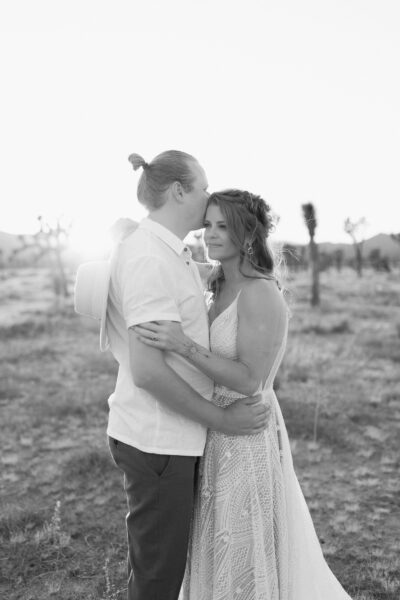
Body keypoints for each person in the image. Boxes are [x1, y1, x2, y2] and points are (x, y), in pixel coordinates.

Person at [134, 189, 353, 600]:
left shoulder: (260, 292)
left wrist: (183, 345)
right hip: (213, 430)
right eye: (208, 225)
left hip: (245, 433)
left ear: (247, 236)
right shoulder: (218, 280)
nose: (210, 235)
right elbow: (168, 261)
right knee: (212, 542)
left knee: (240, 546)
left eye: (222, 227)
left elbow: (251, 379)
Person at [105, 151, 269, 600]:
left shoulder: (166, 251)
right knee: (159, 579)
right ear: (179, 190)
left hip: (172, 436)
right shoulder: (149, 258)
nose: (207, 196)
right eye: (201, 186)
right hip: (158, 440)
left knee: (167, 567)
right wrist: (224, 421)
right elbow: (149, 373)